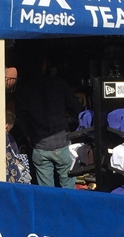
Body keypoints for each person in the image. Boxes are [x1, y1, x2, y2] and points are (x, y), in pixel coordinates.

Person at [14, 57, 82, 188]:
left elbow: (21, 118)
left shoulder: (24, 90)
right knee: (69, 189)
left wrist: (29, 136)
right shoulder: (59, 84)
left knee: (46, 194)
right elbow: (77, 109)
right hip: (62, 142)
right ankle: (70, 208)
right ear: (44, 65)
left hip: (40, 146)